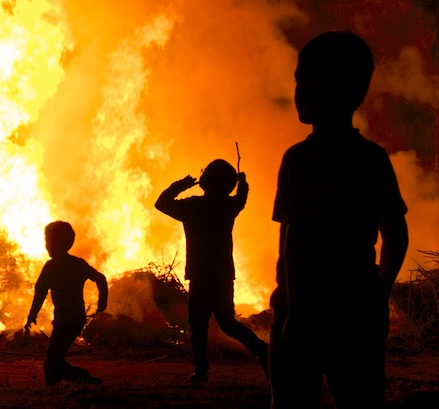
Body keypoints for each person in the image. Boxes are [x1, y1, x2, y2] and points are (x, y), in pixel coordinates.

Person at [270, 31, 409, 409]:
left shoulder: (300, 160)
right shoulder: (373, 158)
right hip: (358, 308)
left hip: (304, 311)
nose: (297, 91)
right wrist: (379, 292)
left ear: (330, 89)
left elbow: (295, 241)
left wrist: (294, 313)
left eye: (303, 81)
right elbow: (396, 233)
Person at [155, 160, 269, 384]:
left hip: (200, 274)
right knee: (227, 323)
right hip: (222, 274)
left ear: (205, 181)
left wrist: (181, 185)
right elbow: (241, 198)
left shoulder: (193, 206)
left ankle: (201, 370)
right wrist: (243, 182)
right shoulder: (229, 206)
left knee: (198, 326)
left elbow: (162, 203)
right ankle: (263, 352)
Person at [25, 221, 108, 386]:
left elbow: (40, 293)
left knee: (53, 359)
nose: (46, 245)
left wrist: (32, 315)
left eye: (48, 240)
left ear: (58, 243)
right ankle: (52, 388)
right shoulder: (77, 264)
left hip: (66, 320)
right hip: (75, 319)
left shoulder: (51, 267)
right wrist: (102, 302)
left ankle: (85, 380)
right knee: (52, 358)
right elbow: (100, 279)